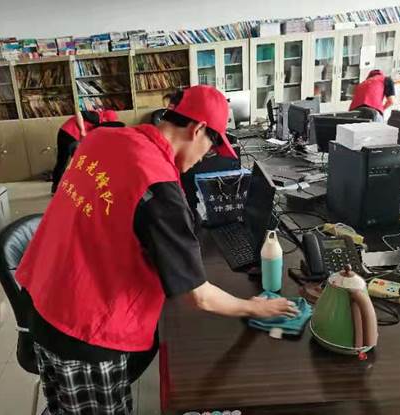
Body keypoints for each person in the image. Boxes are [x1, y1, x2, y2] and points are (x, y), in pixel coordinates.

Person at [16, 85, 298, 415]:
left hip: (40, 303)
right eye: (209, 149)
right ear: (198, 129)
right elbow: (198, 296)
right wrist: (254, 308)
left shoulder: (101, 138)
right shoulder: (157, 185)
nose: (202, 159)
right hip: (84, 332)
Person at [51, 109, 120, 193]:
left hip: (63, 132)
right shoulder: (96, 117)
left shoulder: (99, 126)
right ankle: (79, 188)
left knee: (62, 161)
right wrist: (82, 130)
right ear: (106, 119)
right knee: (80, 163)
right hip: (71, 135)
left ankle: (55, 187)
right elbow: (78, 112)